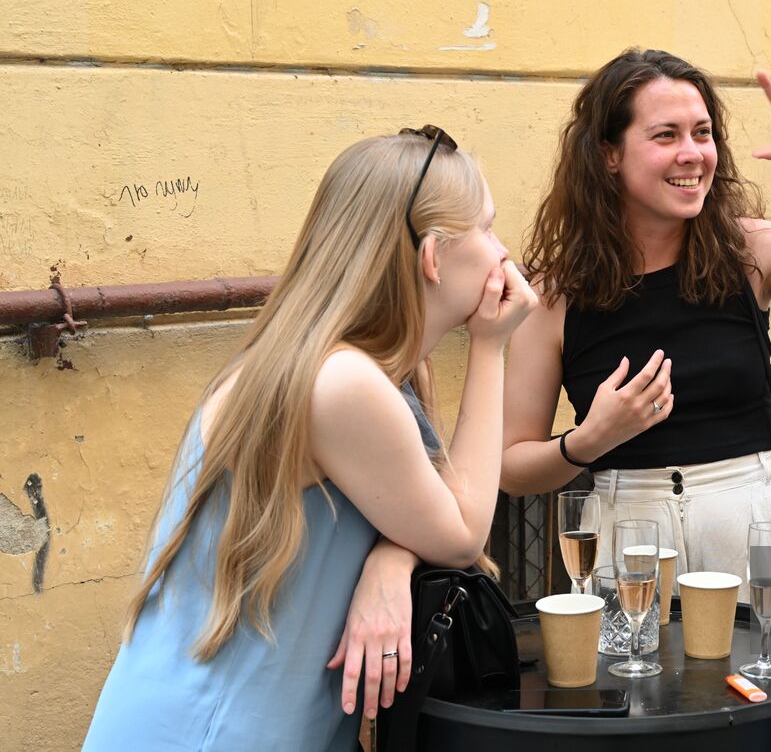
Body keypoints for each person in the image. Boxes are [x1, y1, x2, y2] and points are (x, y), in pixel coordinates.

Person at [83, 127, 537, 750]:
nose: (502, 252)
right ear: (432, 256)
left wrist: (392, 556)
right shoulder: (343, 383)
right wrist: (491, 348)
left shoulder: (328, 363)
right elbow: (461, 535)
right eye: (487, 228)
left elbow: (417, 512)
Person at [500, 48, 771, 583]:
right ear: (608, 153)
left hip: (756, 527)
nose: (692, 154)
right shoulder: (555, 293)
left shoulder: (751, 252)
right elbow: (511, 468)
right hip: (624, 541)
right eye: (666, 136)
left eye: (702, 133)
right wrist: (588, 441)